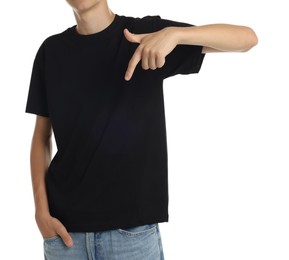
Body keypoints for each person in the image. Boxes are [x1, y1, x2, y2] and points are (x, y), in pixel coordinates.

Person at [25, 0, 258, 259]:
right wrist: (41, 213)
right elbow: (41, 137)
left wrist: (176, 34)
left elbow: (246, 38)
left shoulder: (145, 34)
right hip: (65, 237)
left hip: (131, 235)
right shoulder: (51, 51)